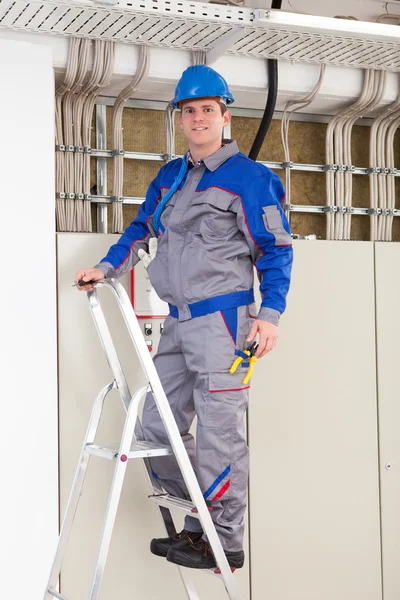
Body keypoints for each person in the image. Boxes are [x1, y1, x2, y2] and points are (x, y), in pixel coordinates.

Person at [75, 65, 293, 570]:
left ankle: (226, 541)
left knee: (220, 434)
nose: (198, 119)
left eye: (207, 110)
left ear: (225, 116)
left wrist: (271, 314)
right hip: (177, 324)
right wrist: (107, 268)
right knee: (155, 427)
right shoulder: (171, 177)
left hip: (225, 325)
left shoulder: (251, 179)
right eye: (189, 111)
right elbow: (139, 230)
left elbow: (276, 251)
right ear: (179, 117)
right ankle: (198, 527)